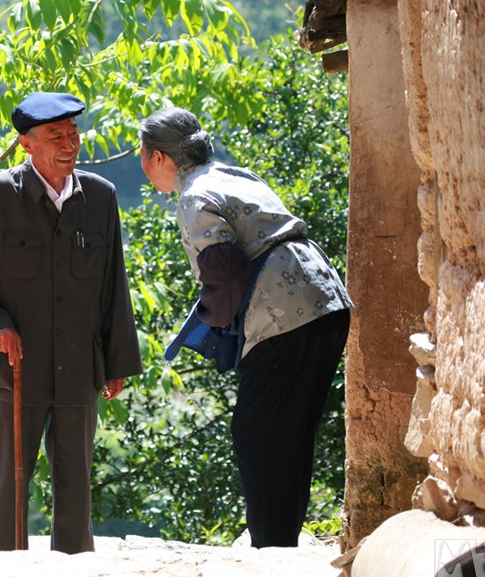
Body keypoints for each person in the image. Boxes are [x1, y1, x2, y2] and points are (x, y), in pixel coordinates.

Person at [139, 106, 352, 548]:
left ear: (160, 158)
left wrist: (211, 325)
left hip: (283, 314)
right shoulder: (235, 174)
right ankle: (282, 539)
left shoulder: (194, 195)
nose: (143, 164)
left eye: (143, 154)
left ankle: (271, 548)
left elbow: (224, 271)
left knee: (256, 432)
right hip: (326, 299)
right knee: (291, 428)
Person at [0, 92, 142, 553]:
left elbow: (114, 286)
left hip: (78, 367)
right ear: (25, 144)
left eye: (73, 134)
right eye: (56, 136)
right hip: (14, 373)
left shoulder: (100, 196)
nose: (69, 144)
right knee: (7, 491)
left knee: (76, 489)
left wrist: (115, 362)